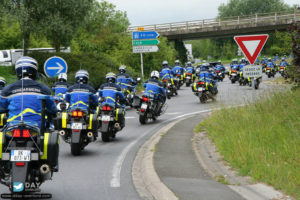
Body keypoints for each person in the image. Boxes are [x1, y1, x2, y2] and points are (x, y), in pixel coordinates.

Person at [0, 56, 57, 129]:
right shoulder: (44, 89)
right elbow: (52, 109)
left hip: (12, 127)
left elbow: (1, 108)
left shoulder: (7, 89)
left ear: (17, 71)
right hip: (38, 127)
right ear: (34, 71)